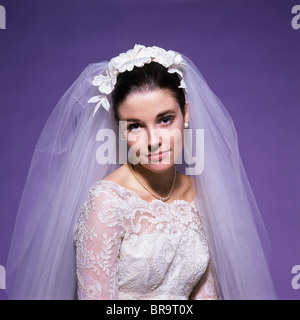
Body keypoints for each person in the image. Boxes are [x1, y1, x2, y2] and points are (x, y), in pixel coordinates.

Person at [6, 44, 277, 300]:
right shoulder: (107, 201)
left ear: (186, 113)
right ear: (119, 129)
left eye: (165, 119)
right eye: (135, 125)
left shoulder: (203, 196)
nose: (153, 140)